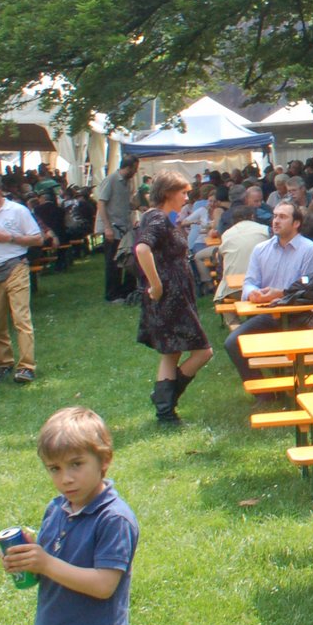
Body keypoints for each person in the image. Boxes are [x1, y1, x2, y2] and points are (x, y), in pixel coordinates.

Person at [0, 407, 138, 625]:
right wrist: (28, 559)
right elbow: (52, 568)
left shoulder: (113, 519)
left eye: (77, 464)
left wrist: (46, 562)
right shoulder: (58, 508)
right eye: (54, 468)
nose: (66, 478)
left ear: (104, 461)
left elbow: (104, 585)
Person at [131, 171, 214, 424]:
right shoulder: (157, 217)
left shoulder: (157, 217)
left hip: (174, 297)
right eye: (183, 192)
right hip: (171, 299)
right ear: (168, 193)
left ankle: (165, 410)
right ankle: (163, 400)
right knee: (204, 352)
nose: (187, 197)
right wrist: (156, 286)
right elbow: (142, 248)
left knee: (172, 353)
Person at [224, 202, 313, 382]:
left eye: (283, 217)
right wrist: (253, 292)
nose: (276, 221)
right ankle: (264, 392)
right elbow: (249, 282)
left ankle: (289, 384)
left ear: (296, 223)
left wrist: (282, 293)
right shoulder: (261, 249)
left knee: (288, 349)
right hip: (267, 313)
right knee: (232, 343)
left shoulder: (310, 250)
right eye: (275, 216)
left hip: (298, 315)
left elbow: (311, 287)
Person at [0, 172, 43, 383]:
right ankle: (4, 363)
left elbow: (37, 239)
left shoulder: (17, 211)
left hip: (16, 267)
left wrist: (10, 238)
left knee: (21, 318)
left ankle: (27, 366)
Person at [94, 156, 139, 304]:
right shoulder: (111, 179)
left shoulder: (127, 183)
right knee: (113, 261)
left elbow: (124, 203)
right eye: (135, 168)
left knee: (125, 258)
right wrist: (107, 227)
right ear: (130, 167)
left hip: (123, 226)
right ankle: (112, 294)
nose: (136, 172)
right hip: (112, 227)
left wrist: (137, 206)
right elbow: (101, 203)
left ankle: (126, 291)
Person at [212, 204, 270, 303]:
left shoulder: (226, 234)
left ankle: (231, 319)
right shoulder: (266, 230)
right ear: (252, 216)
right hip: (262, 287)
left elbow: (221, 265)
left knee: (223, 291)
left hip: (233, 290)